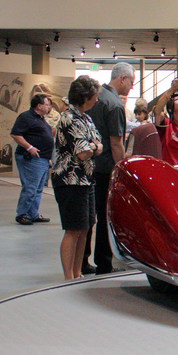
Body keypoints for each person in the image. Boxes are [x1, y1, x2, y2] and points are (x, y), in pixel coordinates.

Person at [51, 76, 102, 280]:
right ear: (85, 97)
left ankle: (77, 272)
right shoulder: (69, 118)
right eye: (95, 96)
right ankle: (68, 276)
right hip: (70, 181)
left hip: (86, 180)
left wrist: (92, 146)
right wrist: (92, 146)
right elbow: (83, 152)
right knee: (73, 229)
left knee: (86, 227)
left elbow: (98, 145)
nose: (97, 100)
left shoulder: (85, 118)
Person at [82, 62, 130, 275]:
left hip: (85, 166)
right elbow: (116, 142)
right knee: (105, 217)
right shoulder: (115, 104)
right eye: (131, 82)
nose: (131, 87)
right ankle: (104, 262)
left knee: (86, 218)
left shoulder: (93, 98)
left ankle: (81, 262)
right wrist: (121, 170)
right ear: (122, 79)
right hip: (104, 169)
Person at [9, 93, 55, 225]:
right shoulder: (26, 117)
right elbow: (15, 134)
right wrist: (30, 148)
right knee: (30, 187)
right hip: (31, 158)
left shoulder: (41, 119)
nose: (48, 107)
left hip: (42, 159)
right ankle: (22, 214)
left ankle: (33, 213)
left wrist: (48, 158)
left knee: (38, 188)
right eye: (46, 104)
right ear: (39, 106)